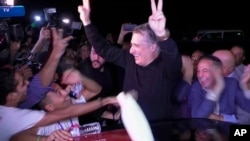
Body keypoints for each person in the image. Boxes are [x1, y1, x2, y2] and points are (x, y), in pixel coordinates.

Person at [78, 0, 182, 121]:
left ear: (153, 47)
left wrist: (162, 35)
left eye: (136, 45)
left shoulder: (165, 68)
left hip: (155, 133)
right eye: (131, 45)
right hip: (127, 128)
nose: (131, 50)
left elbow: (173, 58)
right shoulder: (130, 59)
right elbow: (103, 49)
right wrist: (87, 22)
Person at [188, 55, 250, 123]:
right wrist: (215, 92)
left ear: (217, 72)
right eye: (198, 71)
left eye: (205, 70)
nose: (200, 75)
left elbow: (247, 107)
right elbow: (197, 117)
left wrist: (245, 85)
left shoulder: (231, 84)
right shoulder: (196, 87)